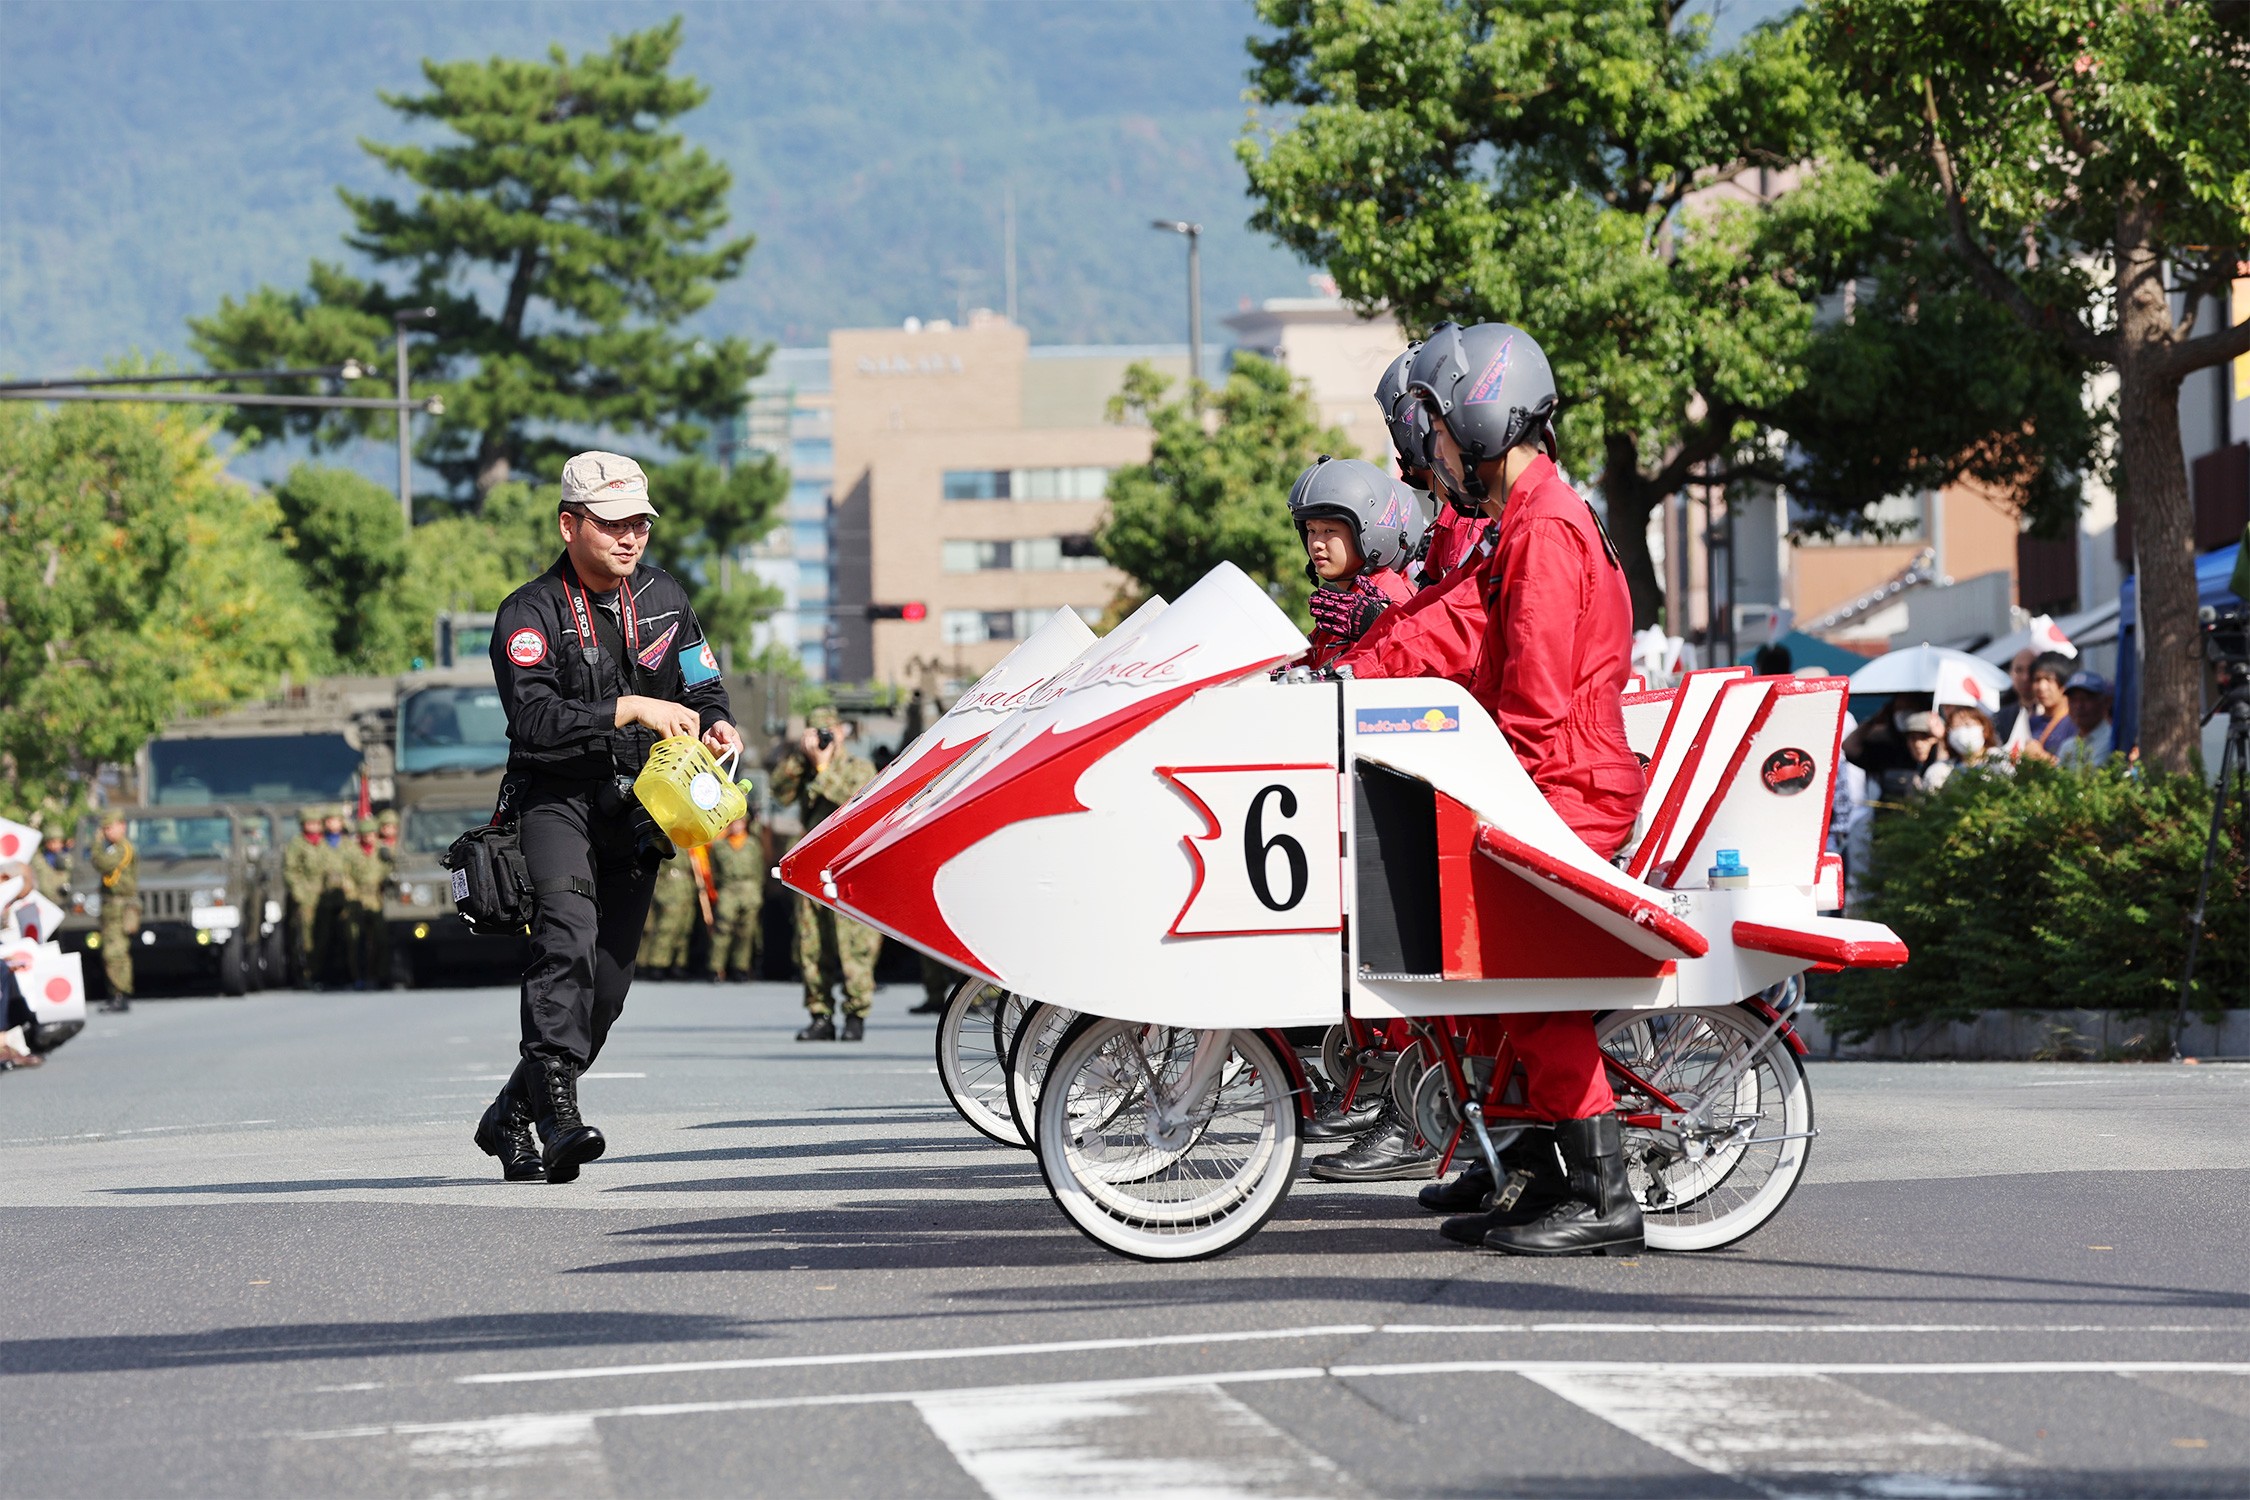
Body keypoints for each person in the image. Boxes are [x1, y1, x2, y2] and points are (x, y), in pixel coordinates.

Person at [1333, 321, 1648, 1257]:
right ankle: (1539, 1173)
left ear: (1478, 418)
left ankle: (1603, 1196)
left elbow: (1538, 700)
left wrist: (1487, 782)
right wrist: (1356, 666)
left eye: (1433, 431)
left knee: (1528, 978)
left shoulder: (1545, 527)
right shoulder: (1530, 519)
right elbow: (1454, 625)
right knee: (1492, 979)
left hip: (1569, 785)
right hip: (1555, 776)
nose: (1425, 454)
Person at [478, 450, 740, 1185]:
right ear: (570, 525)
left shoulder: (665, 596)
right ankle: (559, 1122)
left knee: (608, 987)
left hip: (641, 806)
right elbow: (531, 721)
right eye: (614, 524)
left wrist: (717, 722)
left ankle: (511, 1114)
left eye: (641, 526)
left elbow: (703, 681)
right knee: (567, 940)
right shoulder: (527, 613)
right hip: (555, 798)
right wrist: (630, 707)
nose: (631, 539)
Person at [774, 706, 880, 1041]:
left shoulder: (859, 767)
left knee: (853, 943)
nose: (821, 737)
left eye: (827, 730)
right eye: (815, 730)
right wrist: (800, 758)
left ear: (839, 731)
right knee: (812, 944)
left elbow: (852, 806)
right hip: (813, 868)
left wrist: (822, 768)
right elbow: (780, 792)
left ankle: (855, 1014)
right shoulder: (802, 768)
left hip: (847, 866)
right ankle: (820, 1014)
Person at [1289, 456, 1426, 670]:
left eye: (1329, 531)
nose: (1316, 543)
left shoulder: (1386, 600)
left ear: (1365, 532)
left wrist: (1380, 624)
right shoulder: (1343, 604)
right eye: (1311, 530)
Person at [705, 814, 766, 983]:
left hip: (749, 889)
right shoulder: (719, 846)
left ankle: (741, 967)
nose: (736, 826)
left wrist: (757, 892)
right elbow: (714, 871)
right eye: (732, 823)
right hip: (728, 889)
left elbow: (759, 870)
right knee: (722, 929)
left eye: (740, 822)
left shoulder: (753, 845)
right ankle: (716, 967)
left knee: (746, 932)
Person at [282, 808, 337, 989]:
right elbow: (291, 871)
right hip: (306, 897)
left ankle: (320, 972)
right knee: (306, 939)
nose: (313, 827)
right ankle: (305, 973)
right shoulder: (297, 844)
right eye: (309, 823)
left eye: (316, 823)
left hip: (324, 898)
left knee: (324, 937)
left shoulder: (324, 845)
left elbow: (332, 869)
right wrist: (299, 893)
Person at [90, 814, 138, 1013]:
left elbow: (103, 864)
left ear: (122, 826)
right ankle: (116, 993)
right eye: (105, 828)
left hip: (121, 907)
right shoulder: (112, 848)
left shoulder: (122, 849)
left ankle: (121, 993)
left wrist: (96, 844)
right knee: (110, 951)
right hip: (111, 906)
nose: (107, 832)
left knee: (115, 951)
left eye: (110, 828)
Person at [343, 816, 389, 990]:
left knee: (381, 940)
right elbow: (346, 876)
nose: (368, 837)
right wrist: (353, 895)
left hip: (377, 899)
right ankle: (358, 976)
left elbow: (389, 872)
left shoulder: (381, 852)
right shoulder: (353, 853)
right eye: (364, 834)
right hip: (357, 899)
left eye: (371, 833)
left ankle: (381, 975)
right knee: (356, 941)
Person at [636, 855, 697, 979]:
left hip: (686, 893)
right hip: (670, 893)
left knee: (684, 931)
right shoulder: (666, 841)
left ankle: (678, 964)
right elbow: (658, 873)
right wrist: (661, 895)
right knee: (665, 930)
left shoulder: (692, 847)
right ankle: (657, 964)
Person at [1925, 704, 2008, 791]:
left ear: (1984, 728)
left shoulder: (1996, 758)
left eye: (1968, 724)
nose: (1962, 731)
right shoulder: (1942, 770)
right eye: (1956, 726)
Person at [2014, 653, 2078, 761]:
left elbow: (2074, 769)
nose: (2042, 687)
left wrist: (2041, 757)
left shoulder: (2076, 723)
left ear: (2064, 683)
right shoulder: (2030, 723)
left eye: (2049, 680)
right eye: (2037, 680)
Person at [2058, 671, 2115, 766]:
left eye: (2086, 699)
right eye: (2073, 700)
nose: (2079, 706)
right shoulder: (2067, 746)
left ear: (2105, 702)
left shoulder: (2112, 740)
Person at [1994, 647, 2038, 742]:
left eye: (2031, 669)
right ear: (2010, 674)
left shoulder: (2056, 711)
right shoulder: (2000, 719)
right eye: (2019, 670)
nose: (2025, 677)